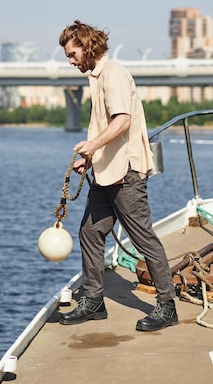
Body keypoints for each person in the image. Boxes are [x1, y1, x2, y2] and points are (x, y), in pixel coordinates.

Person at [57, 20, 178, 332]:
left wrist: (93, 146)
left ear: (88, 47)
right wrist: (90, 157)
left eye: (72, 54)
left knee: (143, 238)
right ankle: (94, 301)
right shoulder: (97, 78)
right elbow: (105, 126)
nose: (70, 61)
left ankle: (167, 306)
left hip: (126, 173)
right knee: (90, 232)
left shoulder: (114, 76)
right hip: (105, 171)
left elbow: (122, 120)